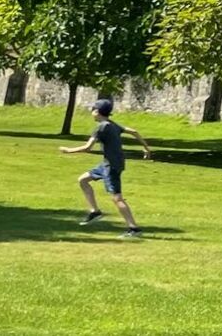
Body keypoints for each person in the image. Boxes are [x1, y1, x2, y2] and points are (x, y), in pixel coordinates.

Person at [59, 98, 152, 238]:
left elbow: (87, 148)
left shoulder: (101, 127)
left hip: (111, 166)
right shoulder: (112, 124)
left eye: (92, 110)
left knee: (117, 198)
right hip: (109, 163)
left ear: (97, 111)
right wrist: (146, 148)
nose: (91, 113)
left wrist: (68, 150)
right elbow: (134, 131)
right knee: (83, 180)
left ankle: (134, 228)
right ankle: (95, 212)